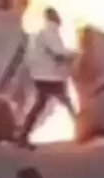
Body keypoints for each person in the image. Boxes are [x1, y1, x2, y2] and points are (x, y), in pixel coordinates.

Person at [16, 8, 78, 149]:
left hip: (41, 74)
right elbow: (58, 54)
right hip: (50, 75)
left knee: (41, 104)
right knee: (65, 101)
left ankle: (23, 136)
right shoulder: (50, 33)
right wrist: (75, 55)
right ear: (54, 18)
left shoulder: (40, 33)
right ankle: (82, 130)